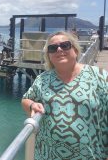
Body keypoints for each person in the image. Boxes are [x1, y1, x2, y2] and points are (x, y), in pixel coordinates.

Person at [22, 31, 108, 159]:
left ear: (75, 50)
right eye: (53, 48)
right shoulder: (42, 79)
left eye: (65, 45)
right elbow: (26, 99)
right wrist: (32, 105)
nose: (59, 50)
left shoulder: (99, 76)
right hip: (47, 155)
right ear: (49, 56)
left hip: (90, 155)